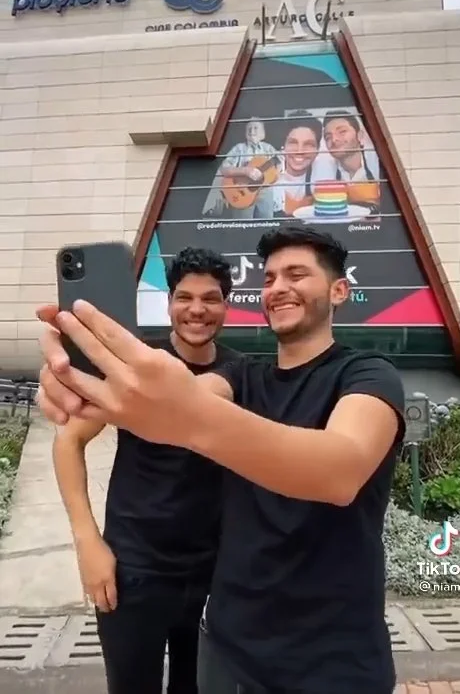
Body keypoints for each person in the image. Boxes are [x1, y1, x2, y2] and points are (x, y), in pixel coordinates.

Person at [36, 224, 405, 694]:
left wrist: (185, 418)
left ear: (339, 290)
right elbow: (184, 395)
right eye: (269, 278)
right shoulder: (241, 376)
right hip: (224, 643)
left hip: (330, 655)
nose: (278, 288)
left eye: (296, 275)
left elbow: (339, 470)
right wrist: (83, 383)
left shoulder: (368, 375)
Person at [48, 246, 241, 694]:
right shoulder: (135, 368)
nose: (197, 310)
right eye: (185, 297)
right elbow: (69, 440)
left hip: (216, 573)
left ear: (226, 305)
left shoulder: (242, 371)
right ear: (170, 302)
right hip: (133, 571)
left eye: (211, 298)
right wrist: (88, 542)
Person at [202, 117, 280, 219]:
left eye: (255, 128)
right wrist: (245, 171)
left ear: (263, 133)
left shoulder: (268, 148)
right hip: (242, 192)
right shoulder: (239, 148)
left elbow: (278, 168)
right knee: (242, 227)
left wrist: (276, 168)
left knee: (267, 225)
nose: (252, 131)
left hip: (264, 193)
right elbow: (224, 169)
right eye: (249, 129)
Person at [275, 111, 324, 216]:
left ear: (318, 149)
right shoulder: (269, 176)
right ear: (283, 146)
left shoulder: (325, 174)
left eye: (308, 144)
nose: (299, 151)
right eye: (293, 142)